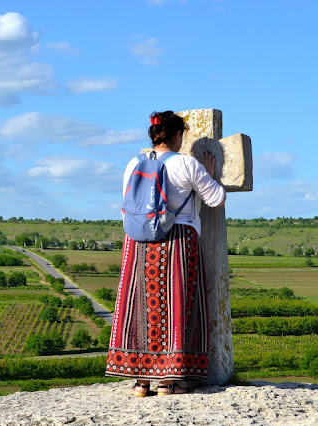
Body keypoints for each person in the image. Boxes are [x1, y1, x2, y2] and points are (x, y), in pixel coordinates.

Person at [105, 110, 226, 396]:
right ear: (178, 136)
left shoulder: (134, 163)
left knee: (140, 307)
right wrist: (209, 174)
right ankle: (169, 382)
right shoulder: (187, 164)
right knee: (177, 306)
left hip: (138, 242)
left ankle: (141, 381)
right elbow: (216, 199)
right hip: (178, 240)